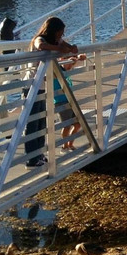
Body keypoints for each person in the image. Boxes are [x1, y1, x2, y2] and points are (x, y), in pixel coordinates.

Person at [24, 17, 79, 167]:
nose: (61, 36)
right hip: (32, 86)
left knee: (42, 121)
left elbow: (68, 47)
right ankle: (32, 157)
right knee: (33, 123)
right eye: (59, 32)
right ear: (52, 31)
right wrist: (59, 49)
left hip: (43, 86)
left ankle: (39, 154)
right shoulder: (40, 39)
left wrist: (72, 48)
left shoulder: (57, 41)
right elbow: (41, 45)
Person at [53, 53, 85, 151]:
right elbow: (55, 64)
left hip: (70, 100)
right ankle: (65, 146)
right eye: (69, 63)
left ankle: (70, 144)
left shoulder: (66, 70)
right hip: (61, 102)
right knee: (66, 125)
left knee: (78, 124)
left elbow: (72, 64)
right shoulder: (56, 71)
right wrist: (66, 60)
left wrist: (79, 58)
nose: (70, 66)